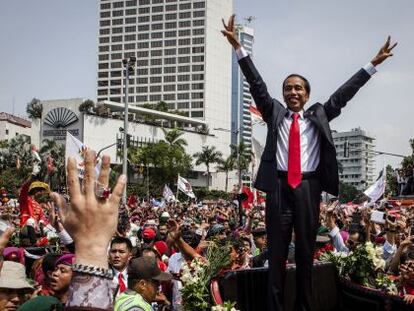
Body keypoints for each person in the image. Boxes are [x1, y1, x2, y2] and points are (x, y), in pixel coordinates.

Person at [222, 14, 397, 311]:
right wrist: (239, 48)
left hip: (307, 187)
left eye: (298, 88)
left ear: (307, 94)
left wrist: (372, 65)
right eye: (288, 88)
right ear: (283, 94)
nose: (292, 92)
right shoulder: (274, 112)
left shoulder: (319, 114)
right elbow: (256, 84)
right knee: (276, 255)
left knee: (305, 255)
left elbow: (344, 94)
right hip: (278, 187)